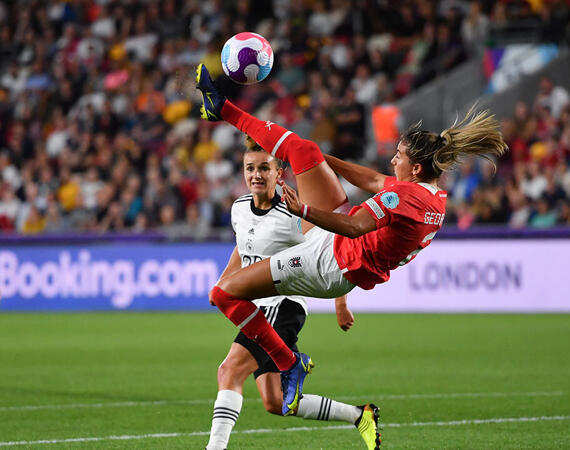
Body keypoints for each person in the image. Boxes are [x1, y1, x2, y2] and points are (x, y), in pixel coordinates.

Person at [194, 63, 506, 417]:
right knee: (302, 149)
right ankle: (221, 108)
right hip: (337, 249)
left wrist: (304, 211)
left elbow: (355, 227)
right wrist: (320, 162)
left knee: (223, 294)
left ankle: (288, 361)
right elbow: (373, 180)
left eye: (399, 157)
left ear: (416, 168)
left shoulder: (406, 198)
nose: (392, 160)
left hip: (329, 263)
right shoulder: (430, 197)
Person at [205, 137, 380, 450]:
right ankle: (360, 415)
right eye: (249, 168)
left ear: (279, 173)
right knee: (275, 401)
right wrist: (225, 280)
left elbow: (330, 252)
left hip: (281, 305)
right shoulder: (239, 208)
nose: (256, 175)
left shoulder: (293, 215)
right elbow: (242, 244)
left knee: (229, 370)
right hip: (256, 307)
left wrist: (341, 302)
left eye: (264, 168)